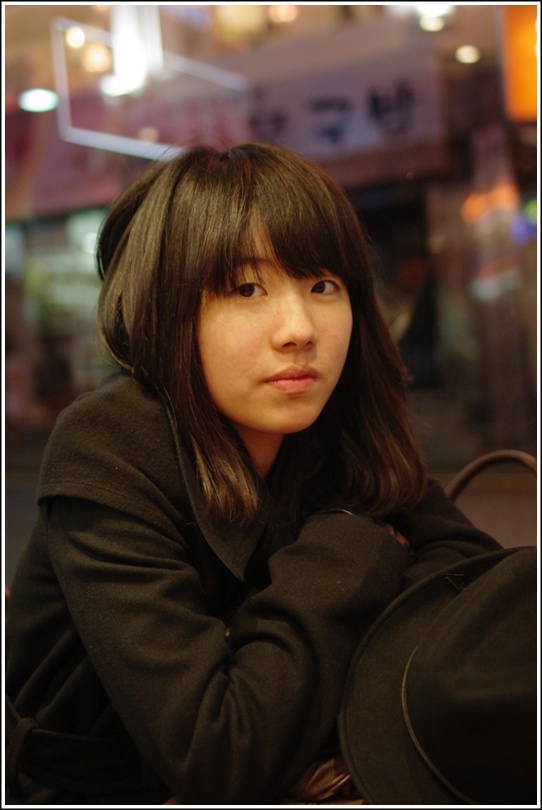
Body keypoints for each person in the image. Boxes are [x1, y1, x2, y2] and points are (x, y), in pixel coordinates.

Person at [5, 142, 501, 806]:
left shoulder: (334, 423)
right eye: (246, 288)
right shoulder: (110, 442)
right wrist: (355, 545)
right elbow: (220, 755)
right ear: (166, 306)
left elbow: (476, 592)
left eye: (322, 285)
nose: (299, 329)